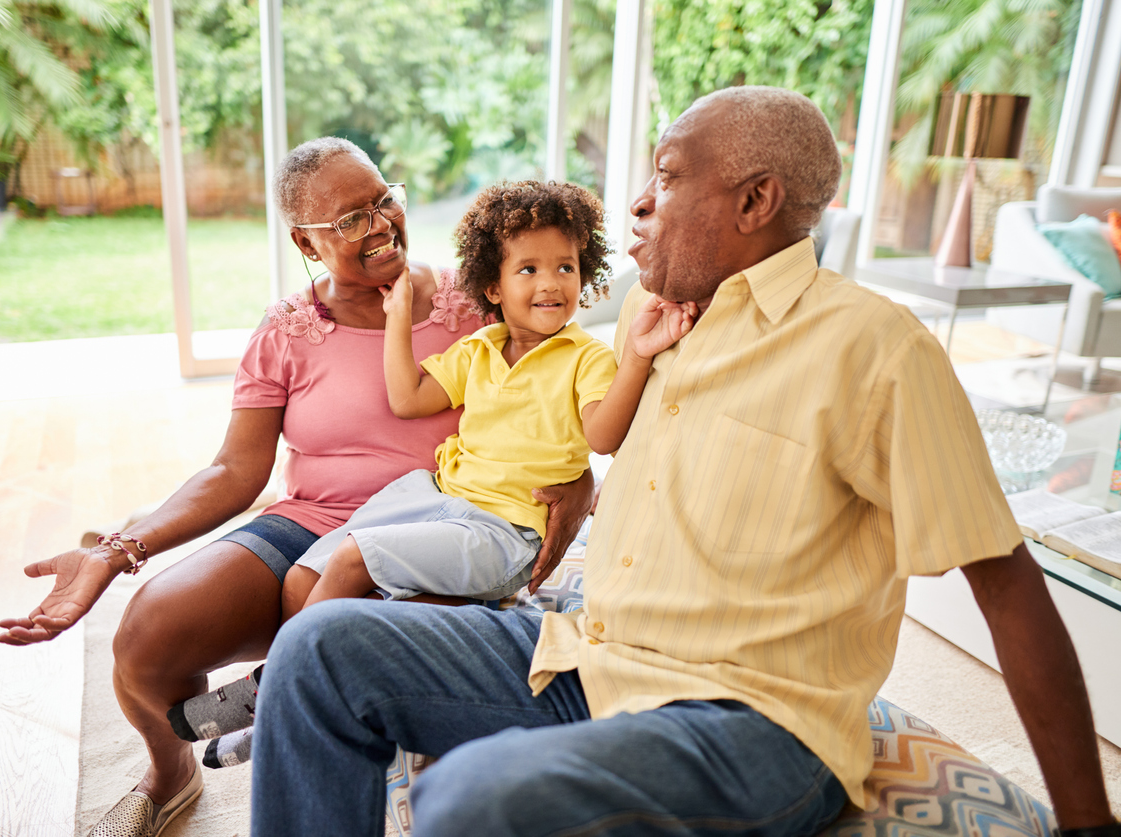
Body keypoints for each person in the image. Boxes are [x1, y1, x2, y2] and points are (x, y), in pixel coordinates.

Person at [246, 87, 1120, 837]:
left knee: (471, 794)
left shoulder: (875, 348)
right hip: (590, 656)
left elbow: (1004, 579)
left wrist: (1088, 820)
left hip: (752, 719)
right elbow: (601, 438)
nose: (635, 203)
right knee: (318, 646)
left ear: (755, 201)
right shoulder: (655, 321)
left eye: (666, 177)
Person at [0, 138, 595, 837]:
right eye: (348, 219)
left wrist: (579, 478)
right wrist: (121, 548)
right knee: (146, 636)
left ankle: (349, 753)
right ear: (303, 240)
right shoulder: (287, 329)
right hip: (313, 522)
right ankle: (172, 771)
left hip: (452, 517)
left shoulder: (479, 301)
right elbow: (232, 471)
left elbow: (559, 388)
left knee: (387, 651)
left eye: (382, 200)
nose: (377, 224)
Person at [168, 181, 697, 757]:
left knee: (351, 560)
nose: (550, 283)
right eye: (529, 270)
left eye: (565, 267)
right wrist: (398, 317)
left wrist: (639, 356)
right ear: (493, 286)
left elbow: (604, 435)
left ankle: (271, 700)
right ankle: (326, 687)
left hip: (503, 530)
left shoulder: (586, 358)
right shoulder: (479, 349)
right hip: (436, 501)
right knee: (301, 580)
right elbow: (409, 398)